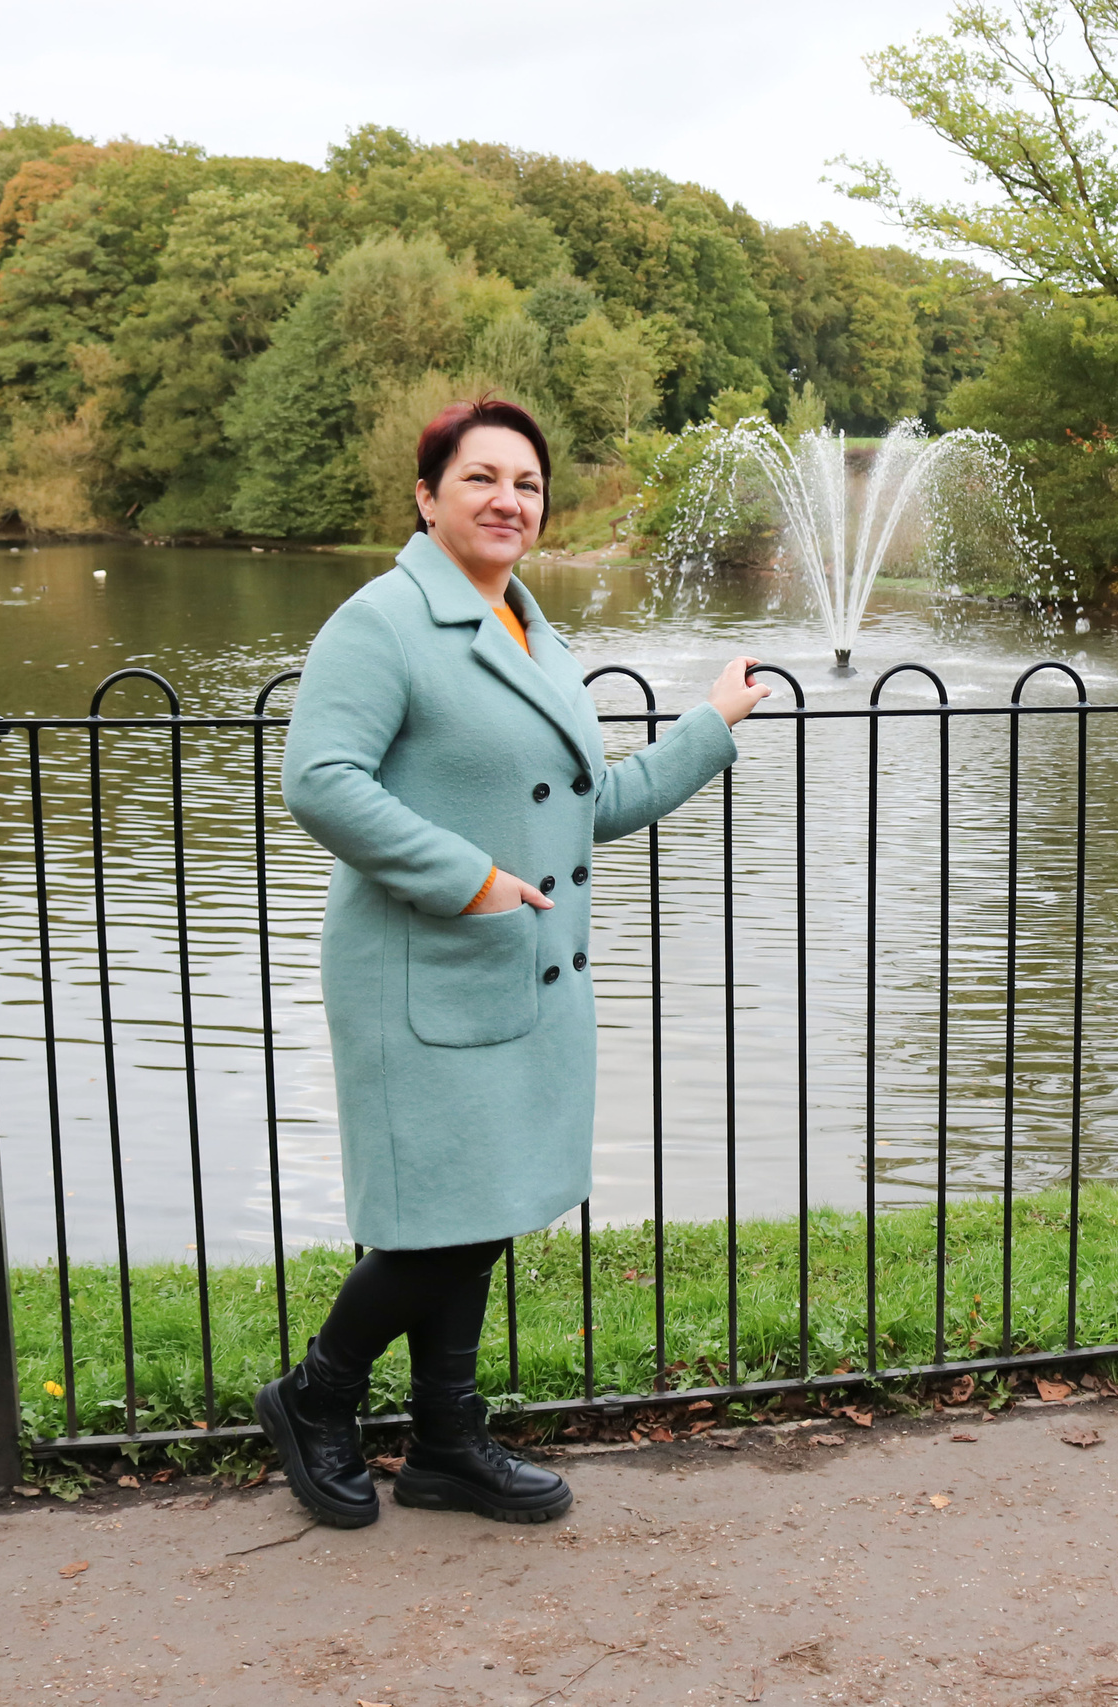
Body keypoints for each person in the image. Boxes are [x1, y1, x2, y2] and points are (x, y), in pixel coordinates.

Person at [263, 397, 768, 1528]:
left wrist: (708, 726)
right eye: (481, 477)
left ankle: (446, 1441)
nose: (508, 500)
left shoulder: (534, 631)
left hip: (522, 972)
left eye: (527, 484)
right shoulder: (382, 621)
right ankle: (315, 1396)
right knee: (433, 1220)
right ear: (427, 495)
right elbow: (321, 780)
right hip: (425, 967)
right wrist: (469, 879)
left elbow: (590, 806)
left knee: (478, 1213)